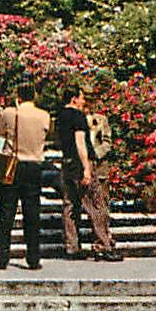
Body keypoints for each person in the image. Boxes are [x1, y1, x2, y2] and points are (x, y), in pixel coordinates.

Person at [57, 84, 121, 262]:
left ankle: (72, 246)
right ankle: (104, 245)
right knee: (96, 204)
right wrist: (86, 168)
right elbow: (80, 143)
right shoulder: (77, 116)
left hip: (67, 164)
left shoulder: (60, 116)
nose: (83, 101)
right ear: (74, 98)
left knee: (70, 205)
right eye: (82, 97)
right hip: (79, 164)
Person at [0, 82, 52, 270]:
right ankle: (33, 257)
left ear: (18, 95)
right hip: (34, 165)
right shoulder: (44, 115)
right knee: (32, 213)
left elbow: (0, 134)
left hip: (13, 164)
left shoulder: (9, 113)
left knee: (6, 213)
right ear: (34, 95)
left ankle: (2, 257)